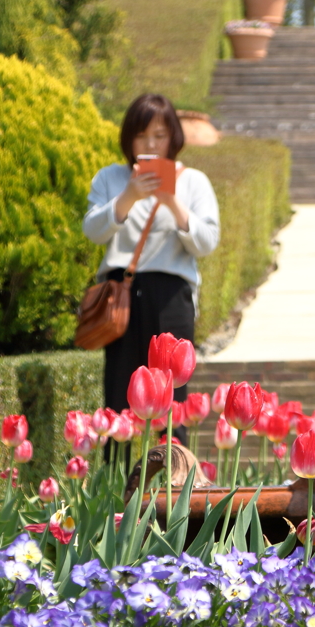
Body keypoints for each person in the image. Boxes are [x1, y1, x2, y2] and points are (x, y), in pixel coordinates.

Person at [83, 93, 220, 446]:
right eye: (142, 136)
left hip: (171, 297)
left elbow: (206, 242)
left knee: (172, 401)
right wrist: (128, 196)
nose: (151, 145)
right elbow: (93, 231)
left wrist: (172, 202)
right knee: (118, 396)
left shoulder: (193, 182)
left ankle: (172, 487)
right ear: (129, 139)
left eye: (159, 136)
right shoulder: (111, 178)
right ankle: (117, 489)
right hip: (122, 297)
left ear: (174, 137)